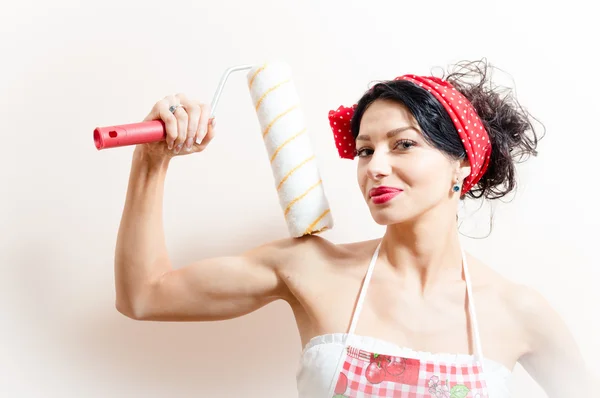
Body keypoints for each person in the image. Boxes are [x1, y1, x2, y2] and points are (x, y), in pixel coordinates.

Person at [113, 60, 594, 397]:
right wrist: (151, 162)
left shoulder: (519, 311)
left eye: (402, 145)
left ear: (461, 165)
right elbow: (144, 295)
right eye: (365, 150)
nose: (375, 167)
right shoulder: (310, 267)